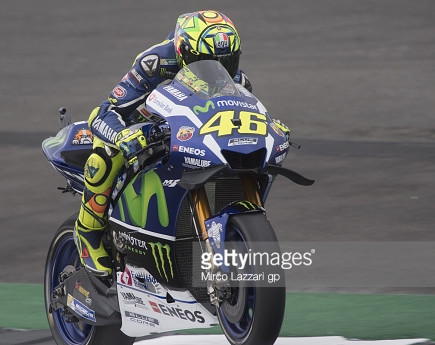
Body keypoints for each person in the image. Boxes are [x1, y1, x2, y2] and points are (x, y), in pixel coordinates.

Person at [74, 10, 289, 277]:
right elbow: (108, 111)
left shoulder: (235, 78)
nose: (220, 67)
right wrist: (122, 135)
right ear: (184, 52)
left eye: (228, 60)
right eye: (208, 60)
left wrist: (270, 126)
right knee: (105, 155)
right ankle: (88, 232)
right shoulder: (155, 62)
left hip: (186, 132)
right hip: (141, 124)